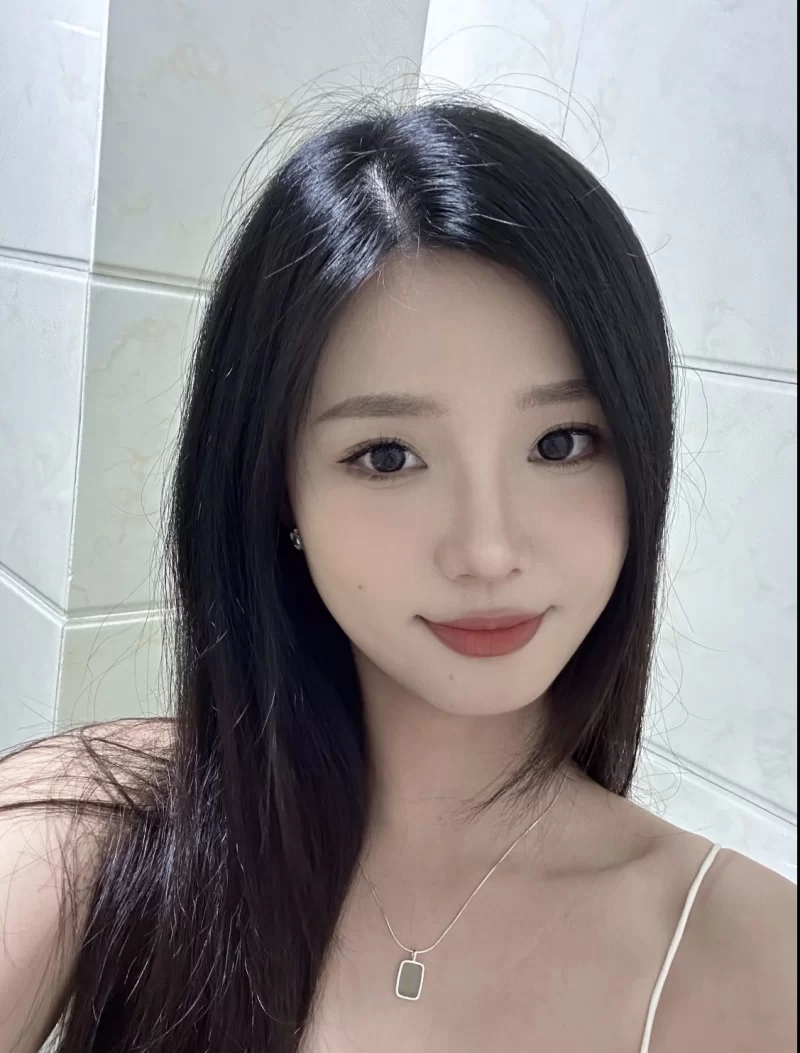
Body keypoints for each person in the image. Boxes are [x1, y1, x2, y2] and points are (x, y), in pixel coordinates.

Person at [0, 95, 795, 1053]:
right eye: (387, 456)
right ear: (277, 491)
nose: (487, 550)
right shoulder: (95, 828)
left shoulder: (748, 958)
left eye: (561, 442)